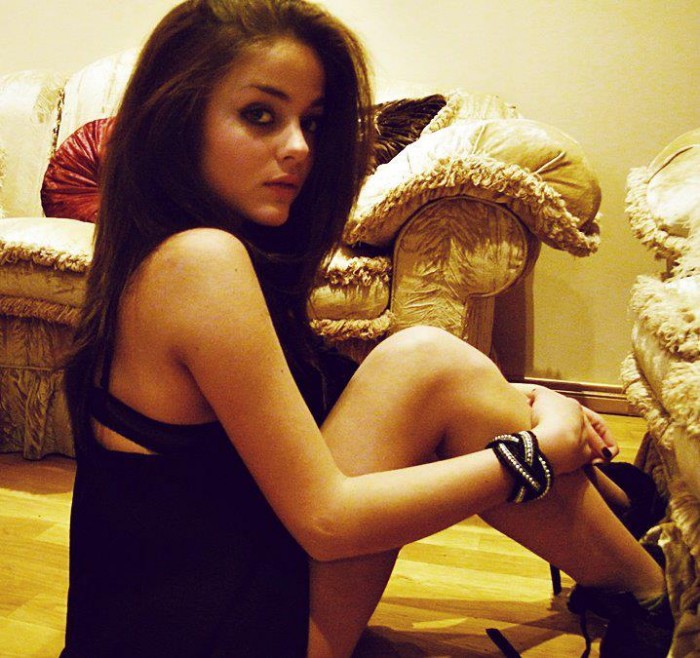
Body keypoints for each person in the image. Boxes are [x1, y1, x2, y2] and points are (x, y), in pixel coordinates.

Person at [59, 1, 672, 657]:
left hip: (186, 609)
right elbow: (328, 520)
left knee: (434, 368)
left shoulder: (168, 254)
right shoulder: (198, 262)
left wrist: (527, 402)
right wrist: (539, 451)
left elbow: (322, 393)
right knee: (426, 363)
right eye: (260, 115)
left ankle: (627, 547)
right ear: (176, 120)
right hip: (210, 639)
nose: (299, 147)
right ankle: (649, 588)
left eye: (311, 122)